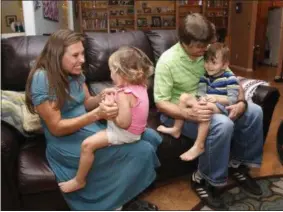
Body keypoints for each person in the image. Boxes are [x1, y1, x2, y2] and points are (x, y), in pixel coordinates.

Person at [25, 29, 161, 210]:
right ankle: (111, 203)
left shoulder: (76, 72)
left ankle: (122, 198)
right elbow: (56, 127)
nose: (82, 59)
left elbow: (87, 102)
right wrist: (98, 114)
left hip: (89, 127)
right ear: (57, 56)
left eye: (82, 53)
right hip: (65, 141)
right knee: (142, 150)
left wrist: (100, 97)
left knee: (150, 136)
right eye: (75, 55)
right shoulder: (42, 78)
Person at [154, 13, 264, 210]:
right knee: (222, 124)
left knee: (254, 111)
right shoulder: (167, 61)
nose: (204, 51)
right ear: (184, 43)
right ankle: (202, 178)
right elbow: (161, 103)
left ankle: (237, 165)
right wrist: (188, 114)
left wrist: (241, 102)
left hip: (208, 103)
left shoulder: (208, 52)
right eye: (199, 47)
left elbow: (232, 79)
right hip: (179, 112)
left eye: (206, 45)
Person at [58, 46, 154, 193]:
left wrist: (110, 113)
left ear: (120, 73)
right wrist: (112, 100)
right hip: (137, 131)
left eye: (111, 71)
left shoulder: (123, 94)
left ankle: (79, 180)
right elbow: (132, 108)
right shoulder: (141, 86)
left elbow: (124, 123)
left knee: (87, 145)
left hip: (126, 134)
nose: (110, 74)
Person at [157, 42, 240, 161]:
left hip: (222, 107)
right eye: (206, 62)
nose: (209, 66)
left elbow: (232, 100)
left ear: (224, 64)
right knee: (184, 97)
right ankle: (176, 129)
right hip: (208, 103)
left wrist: (216, 98)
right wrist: (200, 100)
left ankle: (199, 145)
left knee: (204, 107)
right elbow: (200, 94)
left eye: (214, 62)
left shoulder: (230, 78)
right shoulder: (205, 77)